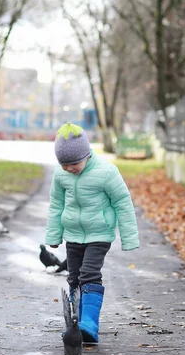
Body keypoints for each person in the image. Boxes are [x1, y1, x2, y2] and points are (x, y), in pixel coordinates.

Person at [45, 122, 139, 343]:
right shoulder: (61, 174)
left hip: (99, 235)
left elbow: (122, 203)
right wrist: (53, 235)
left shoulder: (106, 172)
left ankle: (90, 324)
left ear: (86, 154)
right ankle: (76, 326)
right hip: (73, 235)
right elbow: (56, 204)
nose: (69, 168)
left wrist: (129, 236)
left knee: (89, 274)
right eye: (64, 164)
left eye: (74, 163)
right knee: (74, 277)